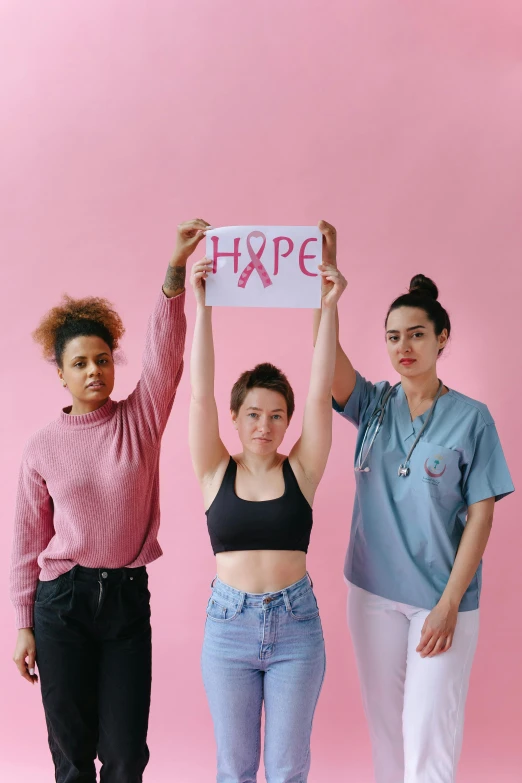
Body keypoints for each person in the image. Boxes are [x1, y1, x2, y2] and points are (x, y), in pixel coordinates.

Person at [10, 218, 209, 783]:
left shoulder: (140, 421)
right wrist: (23, 623)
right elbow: (27, 541)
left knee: (125, 756)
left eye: (101, 359)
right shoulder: (42, 447)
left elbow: (166, 356)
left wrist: (174, 273)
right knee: (71, 758)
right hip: (61, 605)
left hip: (124, 602)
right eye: (80, 363)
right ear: (62, 375)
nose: (94, 370)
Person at [314, 259, 515, 782]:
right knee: (387, 732)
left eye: (418, 335)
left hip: (440, 599)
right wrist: (328, 301)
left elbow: (482, 517)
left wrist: (449, 604)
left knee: (429, 734)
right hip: (373, 595)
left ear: (442, 338)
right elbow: (327, 364)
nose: (404, 346)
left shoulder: (472, 418)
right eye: (393, 336)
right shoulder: (374, 404)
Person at [189, 221, 346, 783]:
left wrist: (328, 306)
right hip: (227, 627)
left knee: (286, 768)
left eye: (276, 415)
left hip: (296, 625)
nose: (265, 424)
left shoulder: (301, 469)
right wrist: (203, 310)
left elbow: (319, 392)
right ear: (235, 417)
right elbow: (200, 391)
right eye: (253, 413)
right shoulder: (213, 469)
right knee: (234, 768)